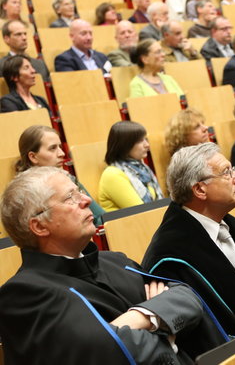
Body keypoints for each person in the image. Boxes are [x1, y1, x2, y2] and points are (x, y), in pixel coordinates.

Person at [0, 166, 222, 364]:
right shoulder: (23, 295)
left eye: (78, 191)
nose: (86, 199)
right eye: (70, 198)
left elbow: (187, 296)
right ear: (39, 226)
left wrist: (141, 317)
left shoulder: (114, 260)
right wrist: (166, 327)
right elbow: (103, 352)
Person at [142, 143, 235, 349]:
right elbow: (199, 336)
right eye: (226, 173)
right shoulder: (169, 258)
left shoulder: (232, 226)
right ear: (199, 189)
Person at [15, 125, 104, 226]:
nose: (62, 153)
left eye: (60, 147)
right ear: (33, 157)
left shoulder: (69, 179)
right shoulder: (24, 195)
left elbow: (102, 217)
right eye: (52, 148)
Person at [98, 121, 164, 212]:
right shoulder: (112, 174)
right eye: (140, 141)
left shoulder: (143, 169)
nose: (147, 145)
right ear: (125, 145)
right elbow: (142, 211)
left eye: (146, 139)